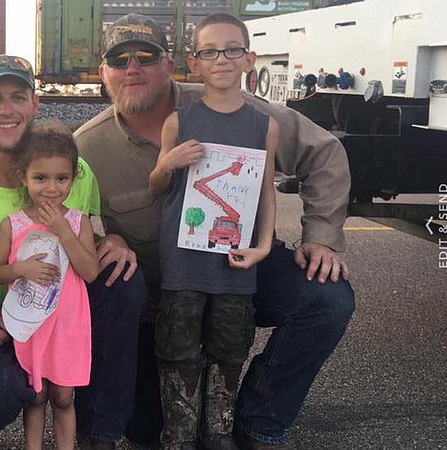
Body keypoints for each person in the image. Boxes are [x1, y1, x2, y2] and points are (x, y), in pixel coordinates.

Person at [73, 13, 355, 449]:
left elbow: (325, 153)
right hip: (159, 300)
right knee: (150, 430)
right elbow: (60, 215)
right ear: (103, 71)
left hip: (239, 275)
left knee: (327, 297)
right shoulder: (85, 148)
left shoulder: (232, 107)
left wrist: (320, 235)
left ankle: (257, 419)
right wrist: (102, 238)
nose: (133, 69)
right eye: (119, 59)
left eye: (146, 58)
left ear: (171, 65)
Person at [0, 54, 144, 450]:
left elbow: (93, 233)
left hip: (60, 318)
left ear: (35, 104)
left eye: (18, 97)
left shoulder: (75, 174)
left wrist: (116, 240)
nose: (6, 110)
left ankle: (99, 428)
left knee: (124, 279)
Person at [147, 13, 277, 449]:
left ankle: (218, 432)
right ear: (194, 63)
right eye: (209, 51)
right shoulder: (178, 123)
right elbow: (156, 187)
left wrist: (262, 246)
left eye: (232, 49)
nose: (221, 59)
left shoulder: (264, 127)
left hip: (236, 265)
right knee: (178, 351)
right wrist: (167, 163)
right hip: (184, 265)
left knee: (229, 348)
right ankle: (179, 436)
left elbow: (266, 193)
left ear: (248, 59)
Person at [0, 123, 99, 450]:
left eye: (61, 178)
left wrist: (64, 231)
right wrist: (22, 268)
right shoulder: (13, 223)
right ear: (23, 176)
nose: (51, 188)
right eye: (41, 178)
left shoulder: (79, 222)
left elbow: (90, 272)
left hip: (67, 327)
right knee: (35, 396)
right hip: (32, 325)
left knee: (64, 397)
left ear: (73, 177)